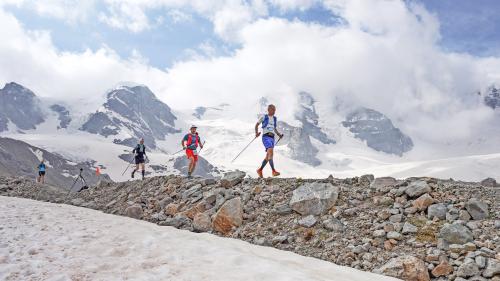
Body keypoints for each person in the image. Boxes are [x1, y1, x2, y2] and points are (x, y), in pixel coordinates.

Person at [255, 104, 283, 178]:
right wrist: (256, 133)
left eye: (275, 110)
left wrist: (279, 134)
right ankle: (273, 171)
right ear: (269, 109)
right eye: (273, 109)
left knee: (268, 157)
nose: (274, 111)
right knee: (271, 153)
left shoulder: (274, 118)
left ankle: (260, 170)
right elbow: (256, 125)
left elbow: (274, 128)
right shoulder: (264, 117)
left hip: (272, 138)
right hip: (266, 137)